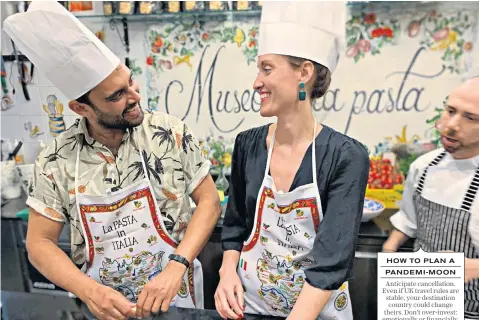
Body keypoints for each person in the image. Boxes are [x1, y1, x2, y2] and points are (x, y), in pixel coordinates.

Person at [4, 2, 221, 320]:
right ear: (82, 109)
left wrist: (177, 265)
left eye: (130, 83)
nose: (134, 97)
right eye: (116, 95)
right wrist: (91, 292)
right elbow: (39, 243)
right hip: (105, 310)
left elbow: (210, 202)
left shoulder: (168, 132)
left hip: (179, 299)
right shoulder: (56, 160)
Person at [214, 2, 369, 319]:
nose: (256, 82)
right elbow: (235, 226)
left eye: (267, 69)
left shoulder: (346, 155)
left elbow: (331, 260)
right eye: (258, 70)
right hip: (250, 308)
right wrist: (227, 272)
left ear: (305, 72)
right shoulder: (248, 144)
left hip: (316, 312)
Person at [384, 76, 479, 319]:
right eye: (450, 111)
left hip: (469, 308)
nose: (452, 125)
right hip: (419, 294)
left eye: (470, 117)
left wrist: (472, 267)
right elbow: (408, 220)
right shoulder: (424, 166)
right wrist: (390, 248)